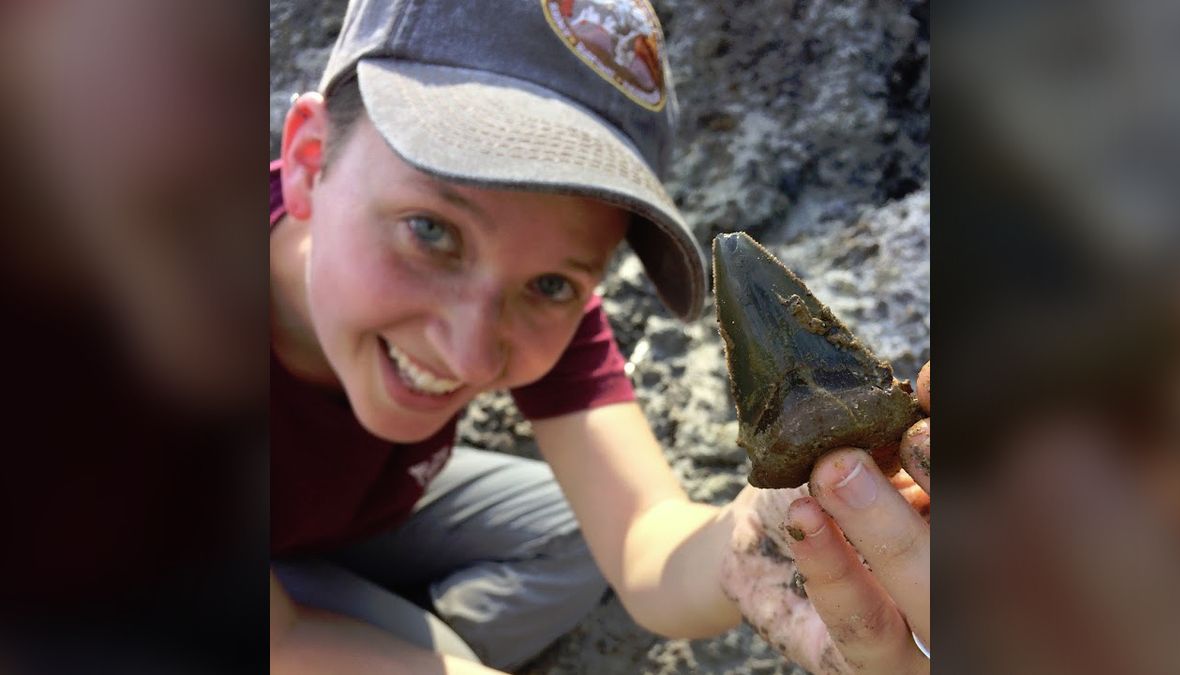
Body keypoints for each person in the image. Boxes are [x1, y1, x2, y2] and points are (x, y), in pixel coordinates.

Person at [268, 1, 931, 673]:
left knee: (575, 545)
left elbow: (644, 543)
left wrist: (758, 539)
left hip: (342, 515)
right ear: (306, 158)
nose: (470, 351)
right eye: (431, 230)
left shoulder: (531, 306)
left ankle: (374, 612)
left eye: (553, 284)